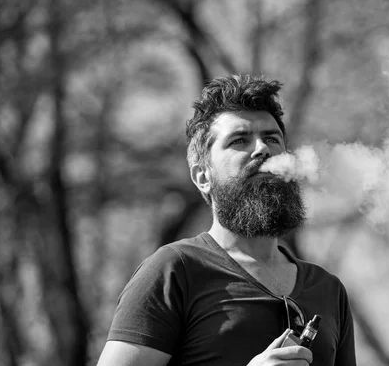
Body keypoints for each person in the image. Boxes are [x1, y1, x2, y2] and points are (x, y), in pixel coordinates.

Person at [97, 74, 356, 366]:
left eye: (272, 138)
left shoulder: (328, 290)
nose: (262, 149)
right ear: (203, 177)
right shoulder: (174, 271)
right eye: (240, 140)